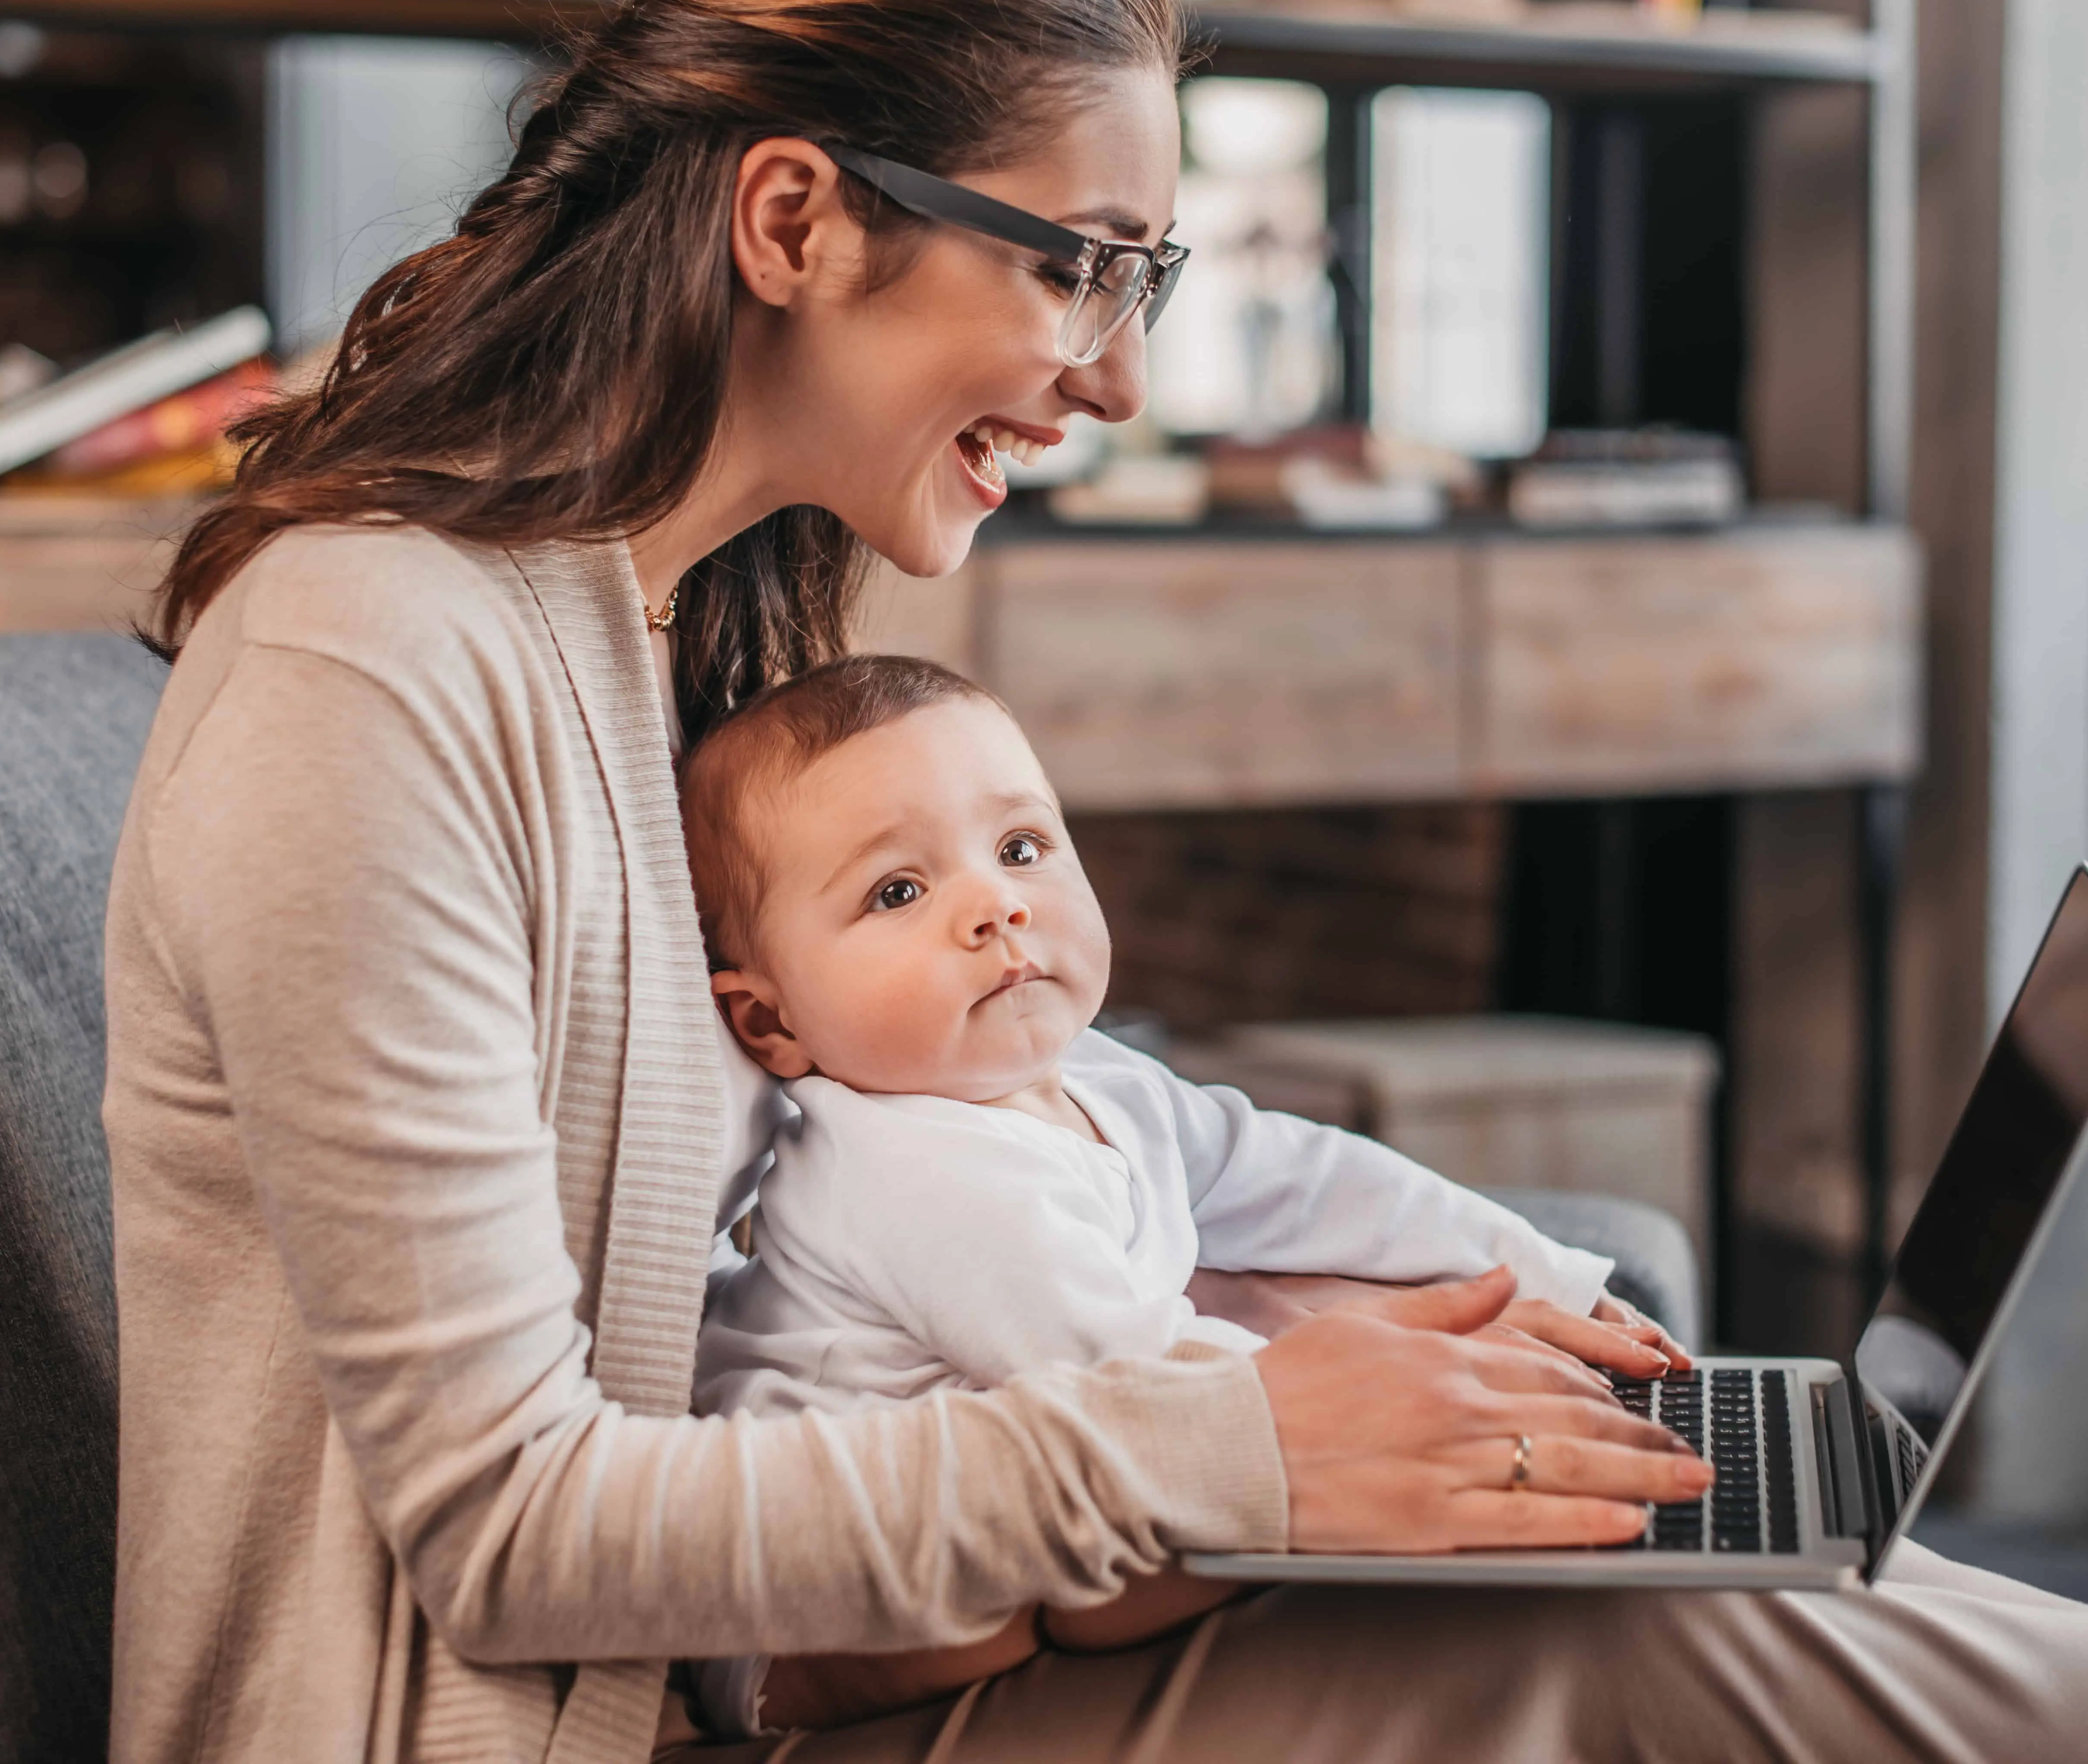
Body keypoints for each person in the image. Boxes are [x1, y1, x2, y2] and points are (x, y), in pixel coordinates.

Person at [103, 0, 2088, 1759]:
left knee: (1652, 1570)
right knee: (1644, 1650)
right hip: (568, 1719)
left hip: (783, 1664)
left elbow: (873, 1215)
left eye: (1140, 277)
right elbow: (511, 1527)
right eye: (1076, 262)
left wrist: (1324, 1336)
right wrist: (1233, 1433)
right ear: (794, 219)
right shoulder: (373, 670)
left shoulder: (694, 645)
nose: (1119, 373)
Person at [675, 651, 1701, 1733]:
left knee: (1158, 1534)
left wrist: (1537, 1273)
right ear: (771, 1022)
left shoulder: (1093, 1076)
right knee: (1106, 1577)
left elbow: (1312, 1178)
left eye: (1020, 847)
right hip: (804, 1602)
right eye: (898, 891)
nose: (996, 906)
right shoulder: (911, 1172)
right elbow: (1150, 1392)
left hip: (1052, 1471)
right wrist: (1393, 1397)